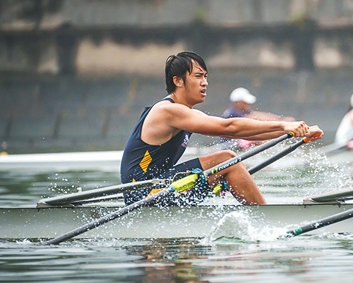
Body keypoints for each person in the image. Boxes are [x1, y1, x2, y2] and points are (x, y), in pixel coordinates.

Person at [120, 51, 323, 206]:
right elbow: (230, 128)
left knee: (227, 164)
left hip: (163, 186)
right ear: (178, 80)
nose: (205, 83)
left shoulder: (185, 112)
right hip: (143, 194)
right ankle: (265, 219)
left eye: (206, 77)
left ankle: (256, 217)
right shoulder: (167, 111)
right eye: (198, 76)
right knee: (226, 159)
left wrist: (294, 133)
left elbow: (244, 130)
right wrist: (284, 125)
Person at [221, 87, 295, 149]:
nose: (248, 104)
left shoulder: (243, 110)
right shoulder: (232, 113)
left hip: (240, 140)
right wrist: (282, 123)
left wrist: (281, 120)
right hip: (230, 144)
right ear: (238, 102)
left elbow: (257, 115)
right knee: (261, 139)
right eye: (245, 102)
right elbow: (252, 118)